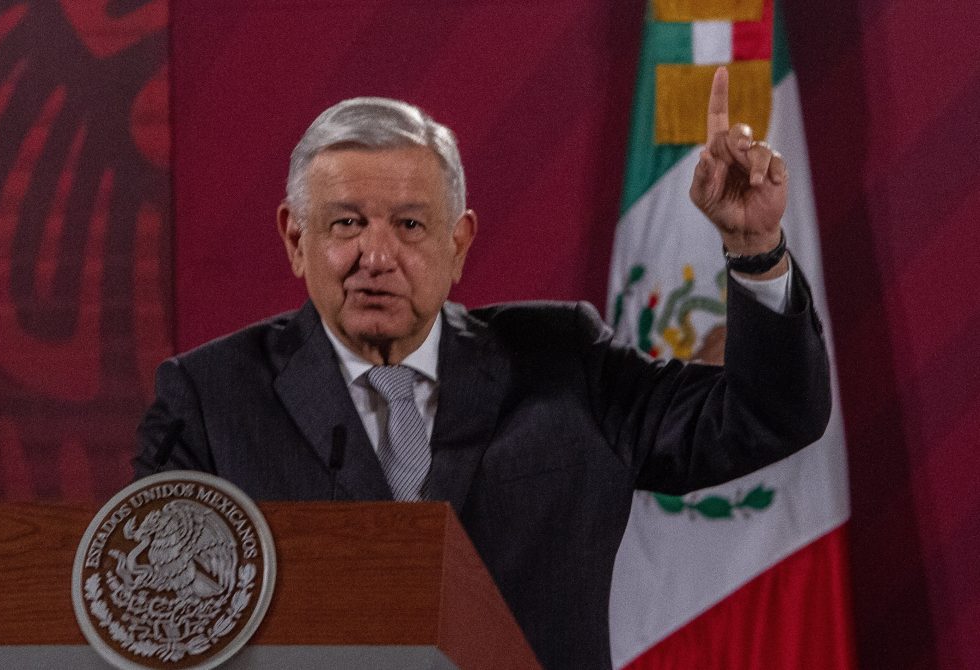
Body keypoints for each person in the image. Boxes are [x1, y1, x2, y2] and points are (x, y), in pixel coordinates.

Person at [135, 68, 831, 669]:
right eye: (346, 223)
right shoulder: (210, 397)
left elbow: (767, 416)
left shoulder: (564, 359)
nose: (376, 255)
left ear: (459, 242)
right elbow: (149, 611)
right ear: (295, 237)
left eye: (410, 225)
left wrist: (754, 250)